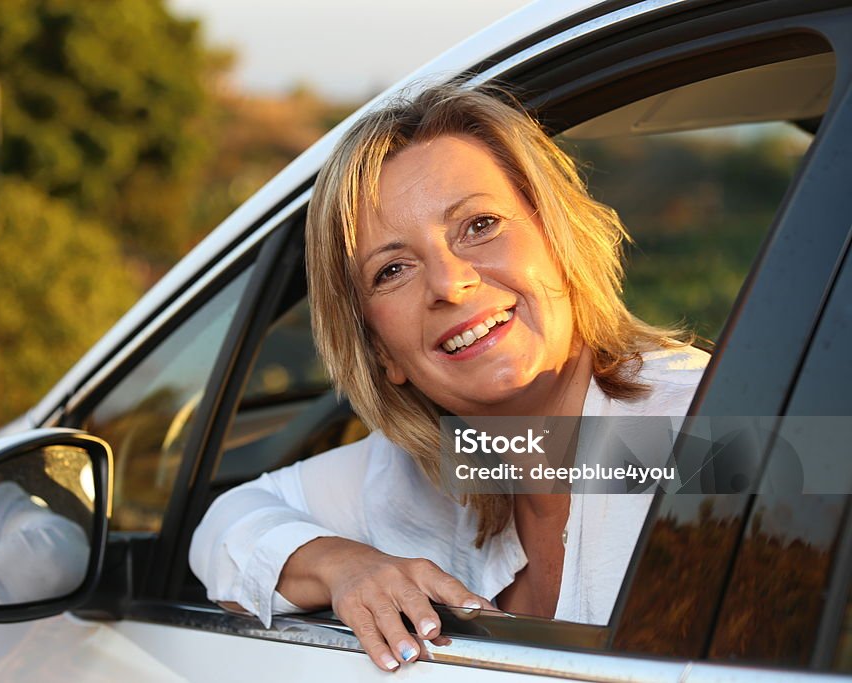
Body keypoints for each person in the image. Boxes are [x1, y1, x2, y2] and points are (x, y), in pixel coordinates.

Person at [189, 83, 708, 673]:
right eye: (392, 270)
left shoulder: (699, 427)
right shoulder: (440, 462)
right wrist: (344, 567)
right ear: (380, 350)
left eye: (480, 224)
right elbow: (226, 525)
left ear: (559, 241)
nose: (449, 282)